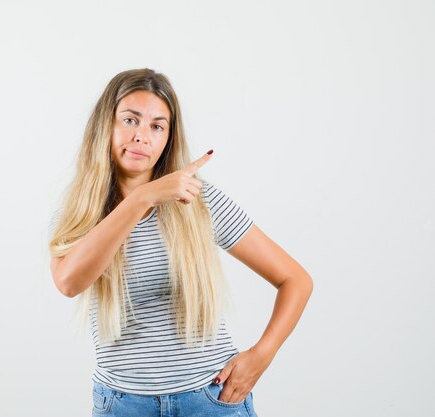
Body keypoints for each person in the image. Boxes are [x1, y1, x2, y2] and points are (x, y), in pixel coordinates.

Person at [48, 68, 313, 417]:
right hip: (123, 405)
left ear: (168, 138)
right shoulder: (80, 212)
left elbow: (296, 280)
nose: (142, 136)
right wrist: (142, 198)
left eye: (157, 126)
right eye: (130, 120)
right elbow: (68, 282)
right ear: (105, 126)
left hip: (210, 400)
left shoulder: (198, 201)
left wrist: (261, 356)